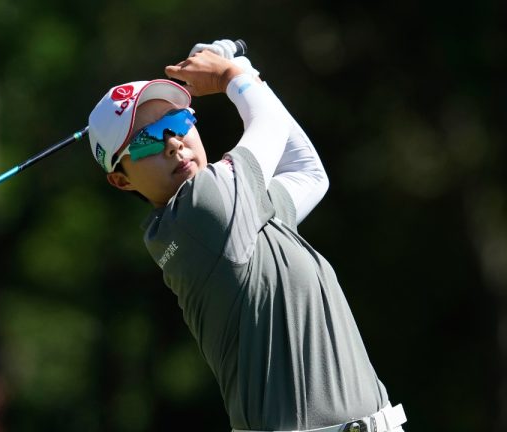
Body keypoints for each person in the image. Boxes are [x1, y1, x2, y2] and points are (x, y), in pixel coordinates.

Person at [87, 40, 407, 432]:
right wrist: (229, 75)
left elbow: (308, 172)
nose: (172, 142)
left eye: (178, 122)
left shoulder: (234, 215)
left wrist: (242, 70)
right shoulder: (204, 209)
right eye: (145, 140)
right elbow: (269, 124)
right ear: (121, 180)